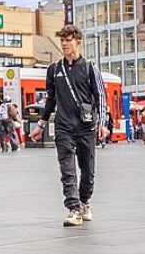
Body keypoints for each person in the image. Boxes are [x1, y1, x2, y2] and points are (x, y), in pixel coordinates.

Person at [30, 24, 111, 227]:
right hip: (63, 126)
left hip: (86, 126)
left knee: (87, 169)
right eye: (62, 40)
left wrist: (102, 123)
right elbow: (51, 99)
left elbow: (100, 96)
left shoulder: (90, 67)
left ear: (78, 42)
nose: (65, 44)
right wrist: (41, 124)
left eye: (68, 40)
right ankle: (73, 209)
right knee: (67, 169)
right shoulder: (54, 69)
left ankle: (85, 202)